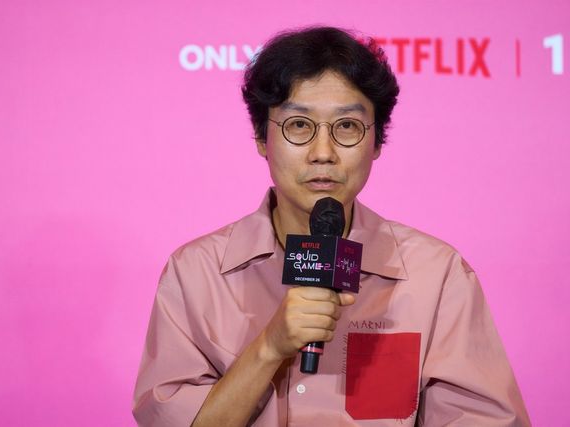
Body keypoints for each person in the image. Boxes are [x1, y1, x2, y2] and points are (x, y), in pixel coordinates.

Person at [133, 26, 530, 426]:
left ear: (377, 143)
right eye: (298, 125)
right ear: (261, 137)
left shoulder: (436, 275)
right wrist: (269, 347)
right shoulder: (195, 274)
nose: (323, 153)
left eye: (347, 127)